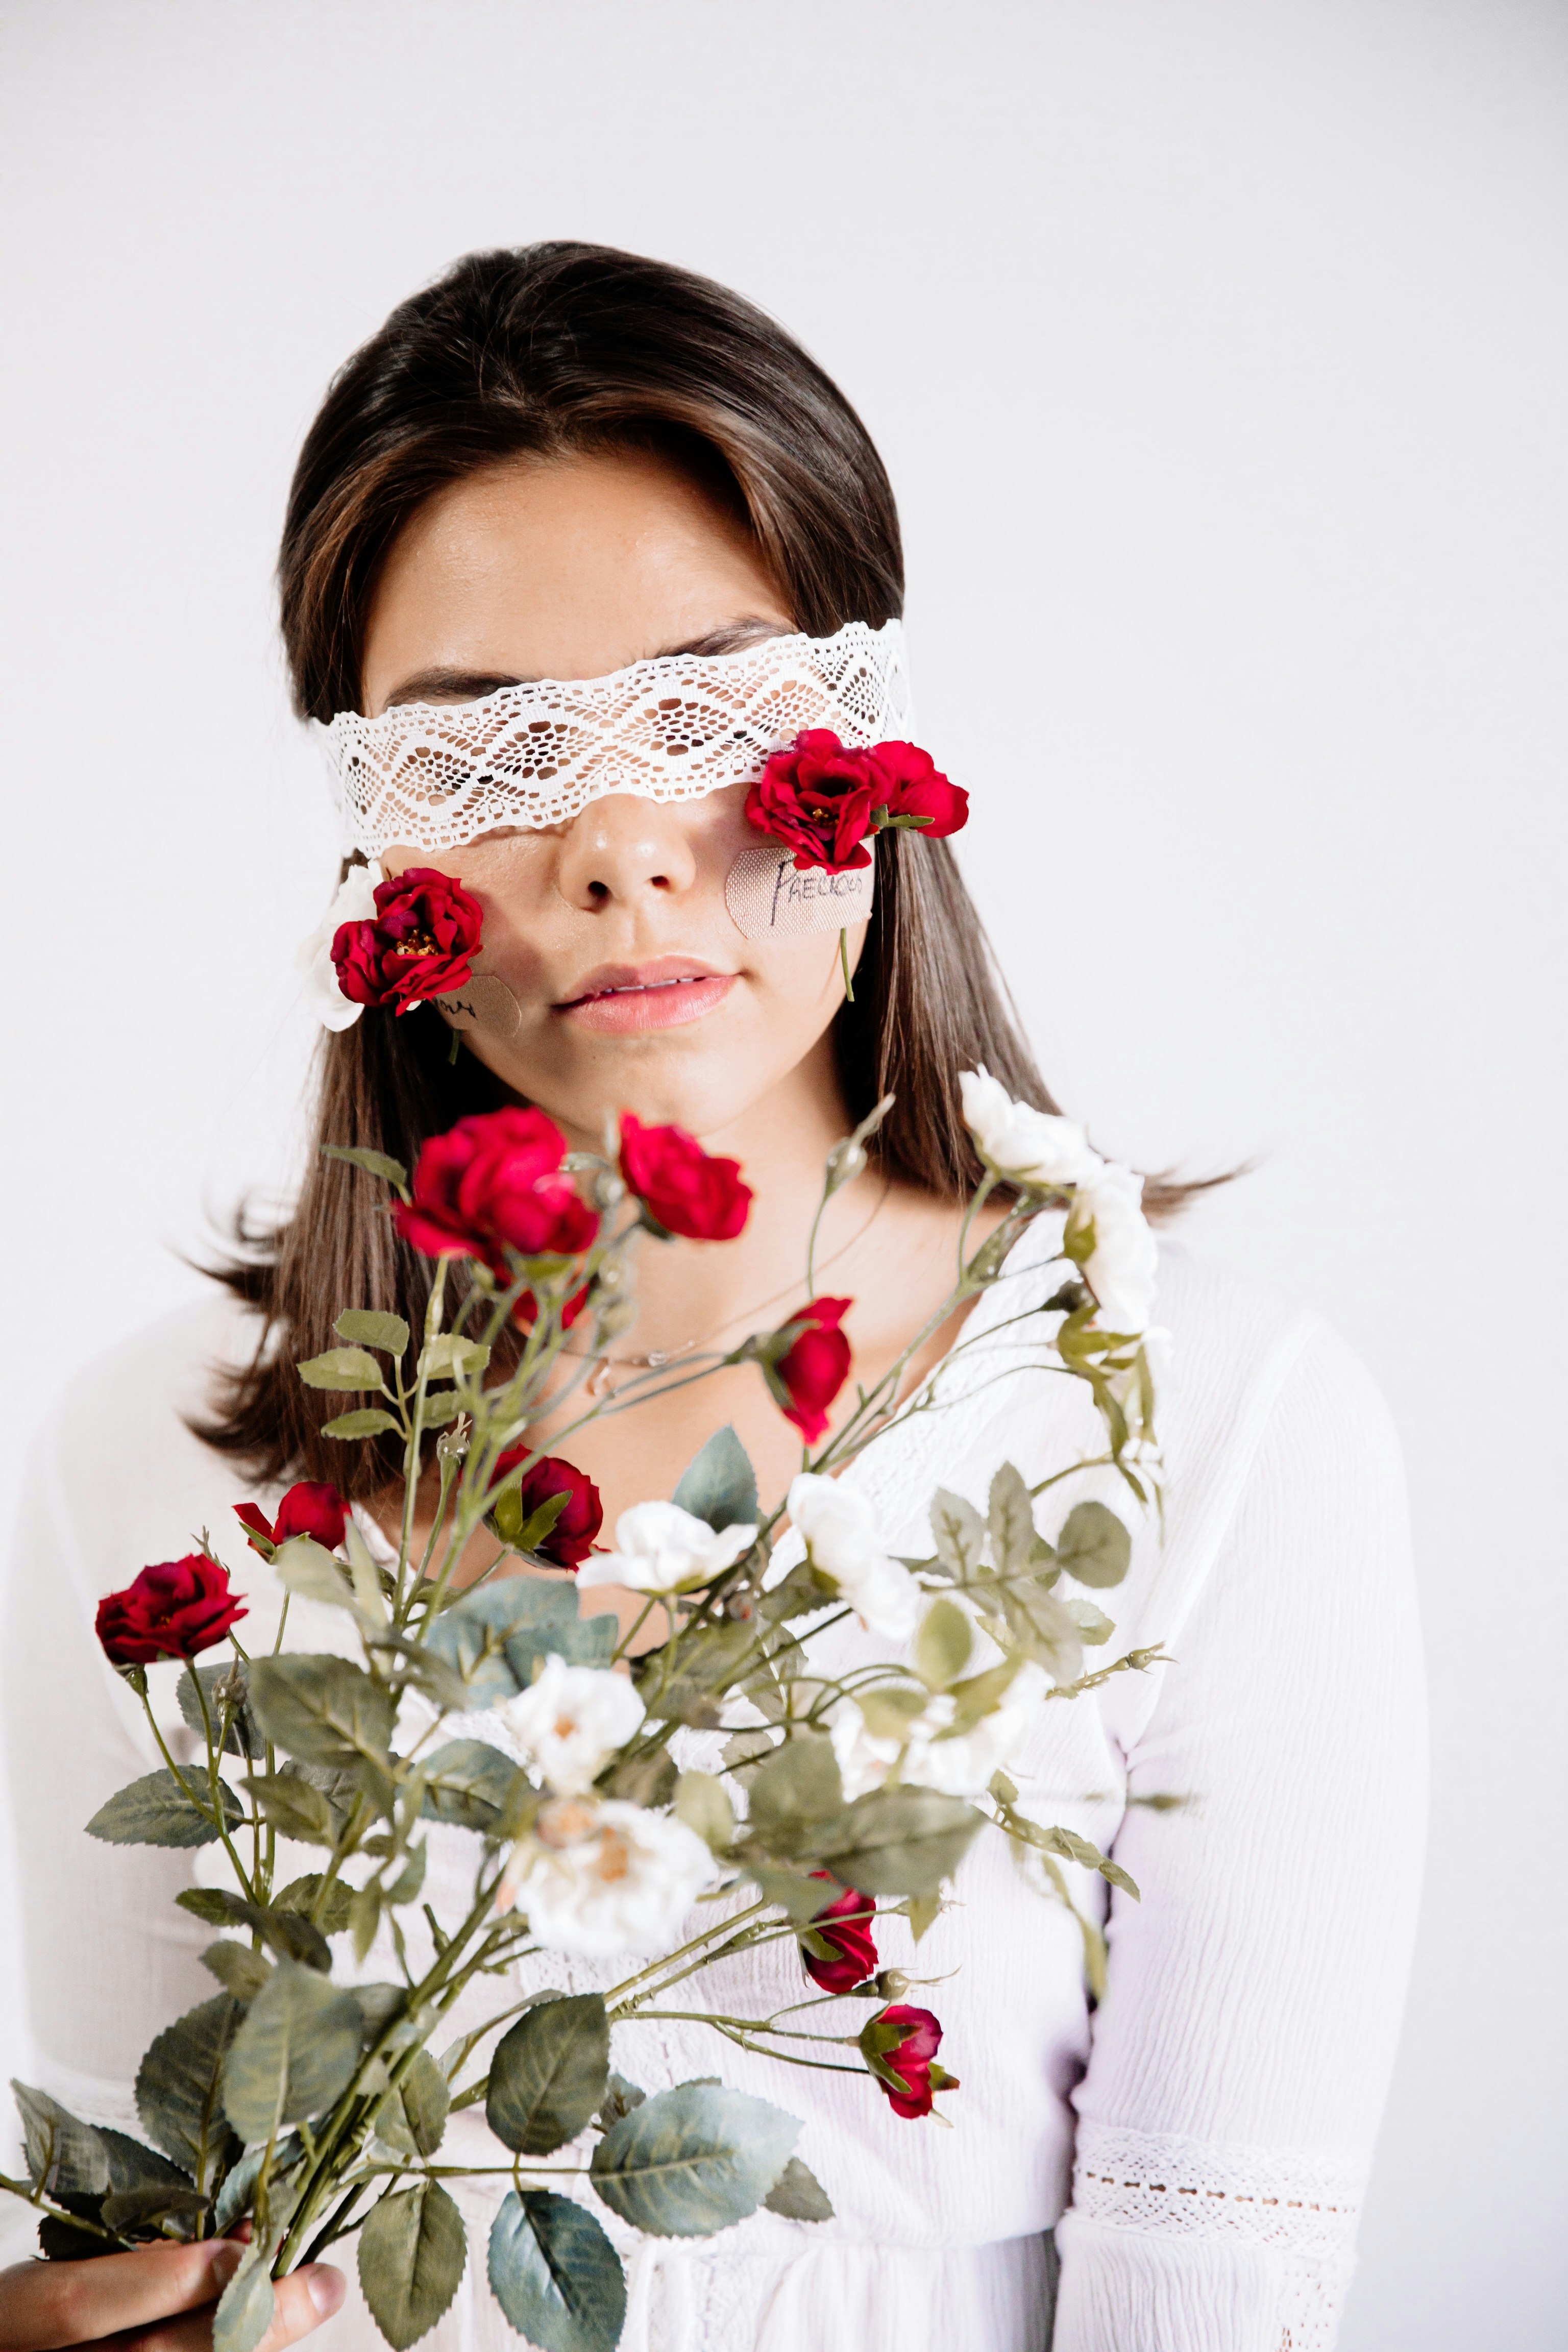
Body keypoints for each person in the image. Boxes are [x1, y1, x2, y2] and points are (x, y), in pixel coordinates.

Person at [1, 243, 1426, 2351]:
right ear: (366, 837)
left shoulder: (1208, 1433)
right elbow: (155, 2227)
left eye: (709, 713)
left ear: (870, 745)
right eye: (480, 756)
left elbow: (1218, 2293)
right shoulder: (153, 1460)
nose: (617, 846)